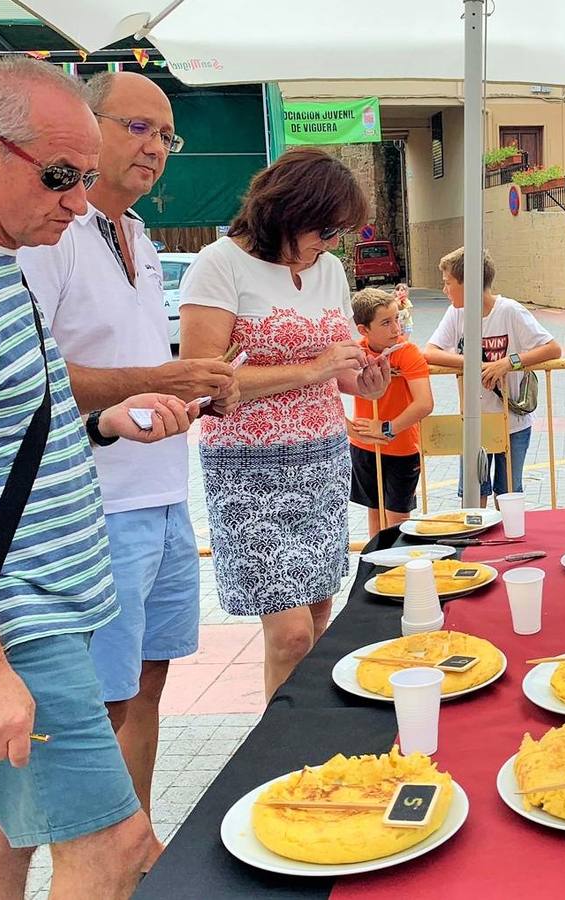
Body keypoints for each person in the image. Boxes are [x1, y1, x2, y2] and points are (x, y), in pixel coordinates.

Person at [0, 58, 196, 898]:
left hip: (43, 612)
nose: (78, 199)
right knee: (114, 846)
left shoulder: (4, 265)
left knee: (5, 827)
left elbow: (10, 429)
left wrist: (102, 422)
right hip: (22, 624)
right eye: (62, 175)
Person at [17, 71, 238, 866]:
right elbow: (30, 371)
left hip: (163, 492)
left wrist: (184, 383)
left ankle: (135, 849)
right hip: (90, 509)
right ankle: (92, 853)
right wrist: (162, 380)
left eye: (166, 136)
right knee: (92, 708)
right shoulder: (44, 235)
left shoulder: (138, 234)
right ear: (86, 126)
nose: (155, 148)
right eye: (138, 127)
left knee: (147, 684)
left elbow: (128, 361)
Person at [178, 148, 389, 700]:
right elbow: (201, 381)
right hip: (249, 469)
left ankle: (303, 732)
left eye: (338, 232)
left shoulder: (330, 270)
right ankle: (277, 754)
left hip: (322, 459)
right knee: (291, 633)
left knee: (319, 618)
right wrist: (315, 368)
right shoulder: (219, 263)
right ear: (284, 211)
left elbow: (341, 373)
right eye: (324, 228)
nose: (331, 243)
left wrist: (366, 380)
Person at [423, 247, 561, 504]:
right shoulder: (457, 313)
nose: (445, 291)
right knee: (475, 494)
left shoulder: (510, 311)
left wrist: (509, 362)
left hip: (513, 423)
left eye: (448, 284)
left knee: (508, 493)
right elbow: (430, 352)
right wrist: (471, 363)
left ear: (470, 284)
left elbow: (552, 348)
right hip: (475, 422)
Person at [348, 288, 434, 537]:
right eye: (386, 322)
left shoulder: (407, 352)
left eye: (397, 318)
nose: (396, 328)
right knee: (374, 515)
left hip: (400, 446)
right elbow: (323, 393)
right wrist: (350, 428)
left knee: (397, 521)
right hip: (364, 445)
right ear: (364, 329)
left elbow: (424, 403)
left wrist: (387, 428)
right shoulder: (356, 351)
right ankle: (377, 570)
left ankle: (396, 570)